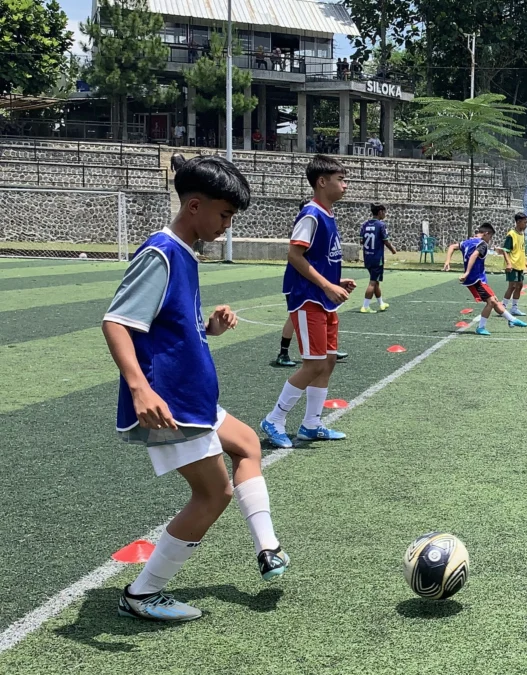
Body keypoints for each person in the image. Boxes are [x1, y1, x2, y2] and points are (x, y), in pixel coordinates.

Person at [102, 155, 288, 622]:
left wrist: (209, 329)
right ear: (194, 206)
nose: (227, 225)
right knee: (213, 495)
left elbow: (168, 331)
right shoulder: (160, 253)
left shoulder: (183, 253)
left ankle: (269, 550)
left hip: (192, 398)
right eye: (224, 215)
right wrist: (141, 390)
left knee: (247, 444)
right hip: (171, 405)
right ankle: (143, 594)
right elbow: (117, 323)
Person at [261, 155, 356, 449]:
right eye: (340, 179)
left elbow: (316, 258)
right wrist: (327, 285)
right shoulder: (311, 215)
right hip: (308, 299)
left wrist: (335, 282)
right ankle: (274, 419)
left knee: (327, 362)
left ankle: (312, 424)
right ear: (322, 182)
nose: (345, 184)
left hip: (324, 299)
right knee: (314, 363)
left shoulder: (326, 215)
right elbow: (294, 255)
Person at [442, 223, 527, 335]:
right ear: (486, 234)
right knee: (491, 301)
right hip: (476, 279)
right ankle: (481, 327)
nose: (490, 240)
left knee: (494, 301)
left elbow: (452, 247)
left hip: (475, 279)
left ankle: (512, 320)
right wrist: (467, 272)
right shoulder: (482, 244)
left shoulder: (467, 242)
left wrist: (447, 261)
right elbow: (474, 256)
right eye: (490, 237)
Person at [360, 203, 397, 313]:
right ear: (380, 212)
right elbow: (385, 241)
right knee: (372, 282)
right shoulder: (381, 225)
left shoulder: (365, 224)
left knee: (375, 281)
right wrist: (393, 250)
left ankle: (381, 303)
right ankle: (365, 306)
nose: (385, 214)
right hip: (377, 257)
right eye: (384, 212)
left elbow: (361, 241)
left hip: (367, 256)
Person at [500, 212, 527, 317]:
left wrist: (525, 262)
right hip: (512, 265)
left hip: (519, 265)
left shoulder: (522, 234)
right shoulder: (511, 234)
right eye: (524, 222)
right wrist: (508, 264)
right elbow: (505, 250)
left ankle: (514, 308)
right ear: (518, 222)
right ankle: (502, 308)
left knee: (519, 286)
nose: (526, 225)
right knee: (512, 286)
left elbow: (520, 250)